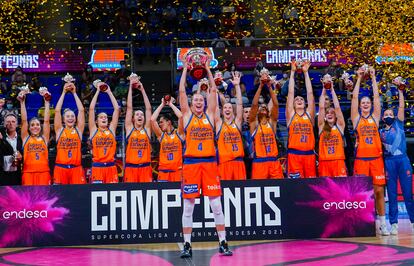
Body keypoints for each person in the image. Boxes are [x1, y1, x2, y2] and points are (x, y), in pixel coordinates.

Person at [178, 60, 232, 258]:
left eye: (202, 99)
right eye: (196, 100)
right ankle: (187, 245)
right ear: (192, 103)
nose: (199, 102)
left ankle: (223, 242)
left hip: (209, 163)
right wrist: (185, 68)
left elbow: (214, 93)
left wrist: (208, 70)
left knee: (216, 206)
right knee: (188, 207)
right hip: (191, 164)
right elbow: (182, 92)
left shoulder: (211, 114)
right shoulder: (186, 115)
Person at [351, 66, 388, 235]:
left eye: (368, 103)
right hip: (361, 160)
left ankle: (382, 222)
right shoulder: (356, 118)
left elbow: (376, 98)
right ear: (360, 106)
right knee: (361, 193)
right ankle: (363, 222)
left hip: (376, 159)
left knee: (379, 191)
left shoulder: (375, 117)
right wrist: (359, 78)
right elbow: (354, 98)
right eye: (363, 103)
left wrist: (373, 78)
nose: (365, 104)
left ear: (371, 105)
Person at [380, 87, 414, 235]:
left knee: (408, 194)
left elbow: (401, 106)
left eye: (390, 114)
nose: (388, 116)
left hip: (403, 161)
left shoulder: (399, 124)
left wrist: (401, 91)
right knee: (392, 195)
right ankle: (393, 224)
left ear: (394, 116)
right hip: (389, 162)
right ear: (382, 118)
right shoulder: (380, 132)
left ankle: (413, 221)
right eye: (386, 114)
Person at [249, 73, 283, 179]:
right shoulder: (254, 124)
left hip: (273, 161)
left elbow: (276, 104)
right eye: (261, 107)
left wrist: (269, 87)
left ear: (268, 111)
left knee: (280, 188)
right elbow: (254, 105)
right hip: (259, 162)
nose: (263, 107)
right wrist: (260, 86)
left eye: (265, 106)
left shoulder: (271, 123)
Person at [286, 60, 316, 178]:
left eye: (301, 99)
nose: (299, 100)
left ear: (305, 103)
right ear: (293, 104)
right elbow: (290, 92)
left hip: (309, 155)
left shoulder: (309, 114)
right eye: (296, 99)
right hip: (294, 155)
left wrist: (306, 73)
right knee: (295, 187)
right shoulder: (291, 115)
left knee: (311, 187)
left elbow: (310, 93)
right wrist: (292, 73)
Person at [53, 80, 86, 184]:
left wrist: (74, 93)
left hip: (76, 169)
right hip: (60, 169)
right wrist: (63, 92)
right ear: (63, 119)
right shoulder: (59, 130)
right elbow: (57, 111)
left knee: (79, 197)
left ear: (75, 119)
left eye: (72, 116)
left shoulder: (78, 130)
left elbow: (81, 110)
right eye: (68, 116)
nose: (70, 118)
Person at [215, 71, 246, 180]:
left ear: (232, 111)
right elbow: (214, 107)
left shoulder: (237, 122)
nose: (227, 109)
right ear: (222, 112)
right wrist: (214, 88)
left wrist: (237, 85)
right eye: (225, 108)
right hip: (224, 164)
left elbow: (239, 104)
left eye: (229, 108)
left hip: (238, 163)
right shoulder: (219, 124)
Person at [89, 80, 120, 184]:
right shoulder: (94, 129)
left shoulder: (111, 129)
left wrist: (109, 92)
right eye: (101, 117)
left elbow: (116, 109)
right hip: (98, 168)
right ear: (96, 121)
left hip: (111, 167)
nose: (104, 118)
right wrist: (97, 91)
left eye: (106, 117)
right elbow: (91, 109)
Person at [19, 89, 51, 185]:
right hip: (28, 173)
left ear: (40, 127)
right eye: (32, 125)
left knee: (44, 198)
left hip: (44, 172)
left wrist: (47, 102)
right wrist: (22, 102)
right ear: (29, 128)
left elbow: (46, 121)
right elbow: (24, 121)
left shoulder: (44, 138)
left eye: (37, 124)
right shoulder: (26, 138)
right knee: (29, 199)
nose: (35, 126)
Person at [124, 77, 152, 183]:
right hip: (131, 168)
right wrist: (130, 88)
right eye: (137, 114)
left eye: (141, 114)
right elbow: (129, 108)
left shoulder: (147, 129)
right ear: (133, 118)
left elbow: (148, 109)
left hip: (145, 168)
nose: (140, 116)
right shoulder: (130, 128)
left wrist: (142, 90)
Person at [150, 97, 184, 182]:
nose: (160, 124)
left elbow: (181, 117)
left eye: (161, 122)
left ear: (168, 122)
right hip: (163, 173)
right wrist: (162, 104)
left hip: (178, 172)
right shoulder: (161, 136)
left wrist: (171, 104)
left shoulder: (179, 133)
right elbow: (152, 119)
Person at [317, 85, 347, 177]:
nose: (329, 114)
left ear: (336, 116)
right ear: (325, 117)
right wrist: (324, 89)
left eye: (332, 113)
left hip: (338, 161)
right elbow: (321, 107)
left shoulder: (340, 126)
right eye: (327, 113)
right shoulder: (321, 126)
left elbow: (337, 108)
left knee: (340, 189)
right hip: (324, 163)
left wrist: (332, 89)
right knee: (325, 190)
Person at [0, 113, 23, 186]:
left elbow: (26, 156)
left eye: (13, 122)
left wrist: (21, 157)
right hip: (2, 176)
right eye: (8, 122)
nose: (10, 124)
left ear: (17, 124)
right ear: (4, 124)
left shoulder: (21, 139)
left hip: (16, 175)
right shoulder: (1, 137)